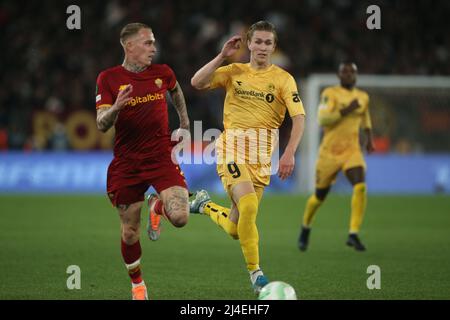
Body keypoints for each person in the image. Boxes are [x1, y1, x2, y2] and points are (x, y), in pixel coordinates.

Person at [190, 21, 306, 294]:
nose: (263, 47)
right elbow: (197, 82)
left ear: (273, 47)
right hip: (231, 149)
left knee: (235, 228)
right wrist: (221, 56)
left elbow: (299, 118)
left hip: (262, 158)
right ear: (250, 44)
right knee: (249, 206)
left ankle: (204, 205)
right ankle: (256, 275)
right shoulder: (233, 71)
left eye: (268, 43)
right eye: (259, 41)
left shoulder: (283, 79)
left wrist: (289, 152)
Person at [95, 23, 190, 300]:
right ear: (129, 46)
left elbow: (176, 89)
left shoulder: (163, 73)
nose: (153, 48)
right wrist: (116, 108)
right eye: (148, 43)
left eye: (153, 42)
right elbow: (101, 124)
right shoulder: (109, 79)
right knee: (130, 232)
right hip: (127, 163)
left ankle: (157, 204)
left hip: (160, 155)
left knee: (181, 217)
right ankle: (137, 284)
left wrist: (184, 120)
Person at [298, 62, 375, 252]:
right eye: (344, 72)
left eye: (352, 72)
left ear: (356, 75)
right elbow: (323, 119)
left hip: (352, 150)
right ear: (339, 75)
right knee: (319, 197)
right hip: (329, 154)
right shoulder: (330, 94)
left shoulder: (363, 97)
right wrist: (347, 109)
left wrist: (369, 138)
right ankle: (305, 227)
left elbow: (365, 118)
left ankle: (353, 234)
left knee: (360, 186)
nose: (348, 75)